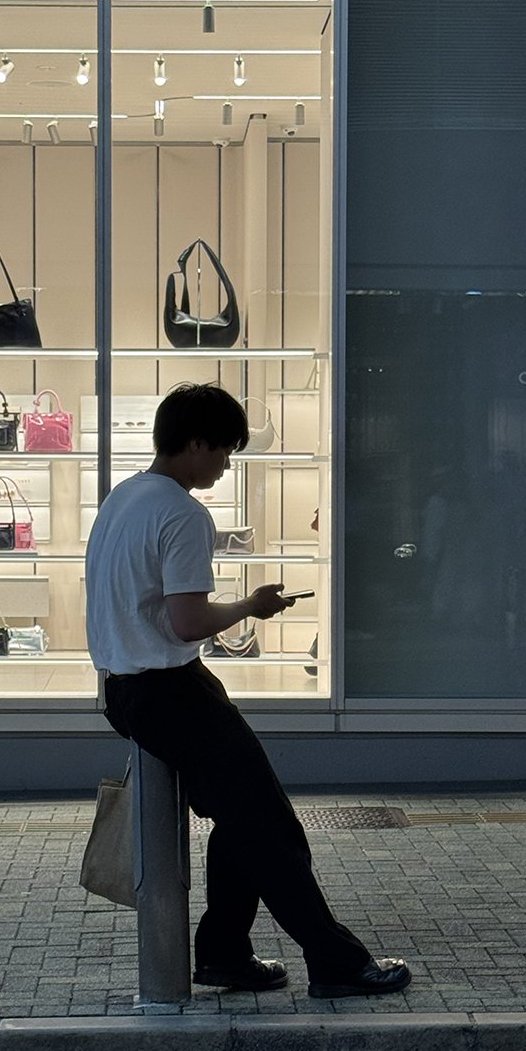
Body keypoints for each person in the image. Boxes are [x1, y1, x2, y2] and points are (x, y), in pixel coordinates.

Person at [85, 382, 411, 999]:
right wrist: (251, 606)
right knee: (270, 827)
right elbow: (187, 622)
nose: (227, 463)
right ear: (197, 442)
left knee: (243, 822)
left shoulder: (123, 498)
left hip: (130, 690)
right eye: (226, 450)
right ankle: (335, 961)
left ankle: (226, 955)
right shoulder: (182, 512)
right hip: (172, 691)